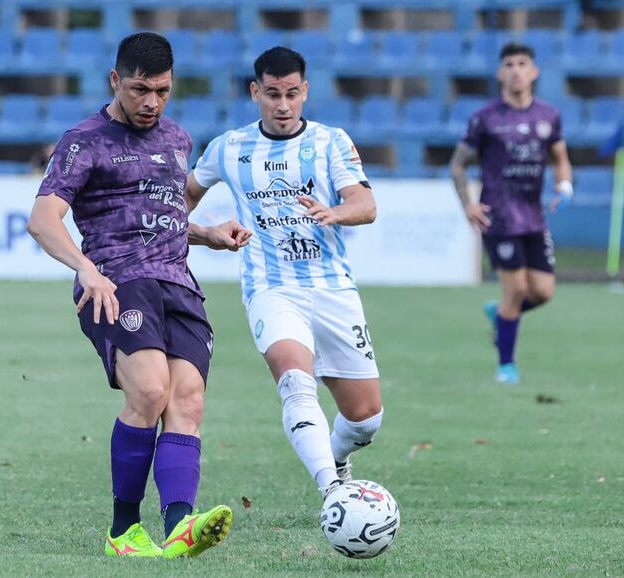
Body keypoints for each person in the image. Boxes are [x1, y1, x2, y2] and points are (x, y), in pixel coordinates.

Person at [27, 32, 251, 559]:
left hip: (178, 283)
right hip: (116, 283)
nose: (151, 102)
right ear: (115, 81)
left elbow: (162, 216)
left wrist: (207, 233)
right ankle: (124, 530)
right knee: (149, 392)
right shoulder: (84, 141)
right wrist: (87, 269)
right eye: (139, 89)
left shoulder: (177, 139)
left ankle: (179, 528)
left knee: (187, 400)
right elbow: (42, 220)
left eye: (163, 91)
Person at [185, 47, 384, 500]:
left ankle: (334, 456)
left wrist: (335, 212)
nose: (282, 105)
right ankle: (333, 490)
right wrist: (203, 233)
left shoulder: (330, 142)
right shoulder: (230, 148)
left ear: (305, 92)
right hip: (271, 287)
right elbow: (183, 199)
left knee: (366, 417)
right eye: (272, 94)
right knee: (295, 380)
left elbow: (366, 205)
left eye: (292, 94)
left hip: (333, 288)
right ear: (255, 92)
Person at [450, 42, 573, 385]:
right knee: (515, 290)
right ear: (500, 73)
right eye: (509, 64)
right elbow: (458, 165)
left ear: (533, 72)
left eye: (522, 64)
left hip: (533, 216)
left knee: (543, 292)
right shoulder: (485, 119)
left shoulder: (549, 116)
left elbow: (560, 157)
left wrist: (564, 187)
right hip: (499, 216)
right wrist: (468, 204)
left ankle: (500, 316)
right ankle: (506, 366)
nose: (516, 70)